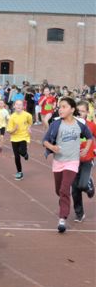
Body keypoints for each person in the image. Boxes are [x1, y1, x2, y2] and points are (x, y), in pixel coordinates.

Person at [43, 97, 93, 233]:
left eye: (64, 107)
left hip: (72, 161)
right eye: (60, 107)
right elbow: (45, 140)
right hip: (58, 162)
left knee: (65, 189)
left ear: (72, 109)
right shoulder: (56, 124)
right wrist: (52, 148)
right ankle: (64, 205)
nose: (60, 109)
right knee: (59, 190)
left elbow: (89, 137)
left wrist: (86, 149)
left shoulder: (80, 124)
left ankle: (62, 218)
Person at [72, 100, 96, 222]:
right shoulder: (70, 125)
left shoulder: (91, 125)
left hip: (87, 159)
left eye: (83, 111)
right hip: (72, 160)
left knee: (82, 185)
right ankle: (79, 213)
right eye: (78, 111)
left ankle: (89, 185)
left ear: (87, 112)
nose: (80, 113)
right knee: (75, 189)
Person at [6, 99, 32, 181]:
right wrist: (15, 129)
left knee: (21, 151)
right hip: (14, 138)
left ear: (23, 106)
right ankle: (19, 172)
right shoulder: (12, 117)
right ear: (14, 106)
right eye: (17, 104)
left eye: (20, 105)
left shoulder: (27, 115)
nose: (18, 106)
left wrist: (29, 128)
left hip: (24, 136)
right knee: (16, 156)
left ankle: (25, 154)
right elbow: (9, 131)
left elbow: (30, 122)